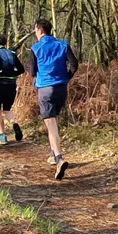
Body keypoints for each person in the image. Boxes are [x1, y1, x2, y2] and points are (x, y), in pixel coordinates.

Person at [24, 18, 76, 179]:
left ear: (39, 30)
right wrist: (66, 77)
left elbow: (32, 73)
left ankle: (59, 158)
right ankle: (54, 153)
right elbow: (74, 64)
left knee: (51, 124)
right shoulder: (63, 45)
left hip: (45, 88)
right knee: (55, 120)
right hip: (61, 88)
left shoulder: (35, 48)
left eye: (35, 30)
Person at [0, 34, 26, 145]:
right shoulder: (12, 53)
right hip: (11, 84)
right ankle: (14, 123)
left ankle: (2, 137)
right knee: (7, 109)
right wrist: (12, 74)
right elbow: (21, 69)